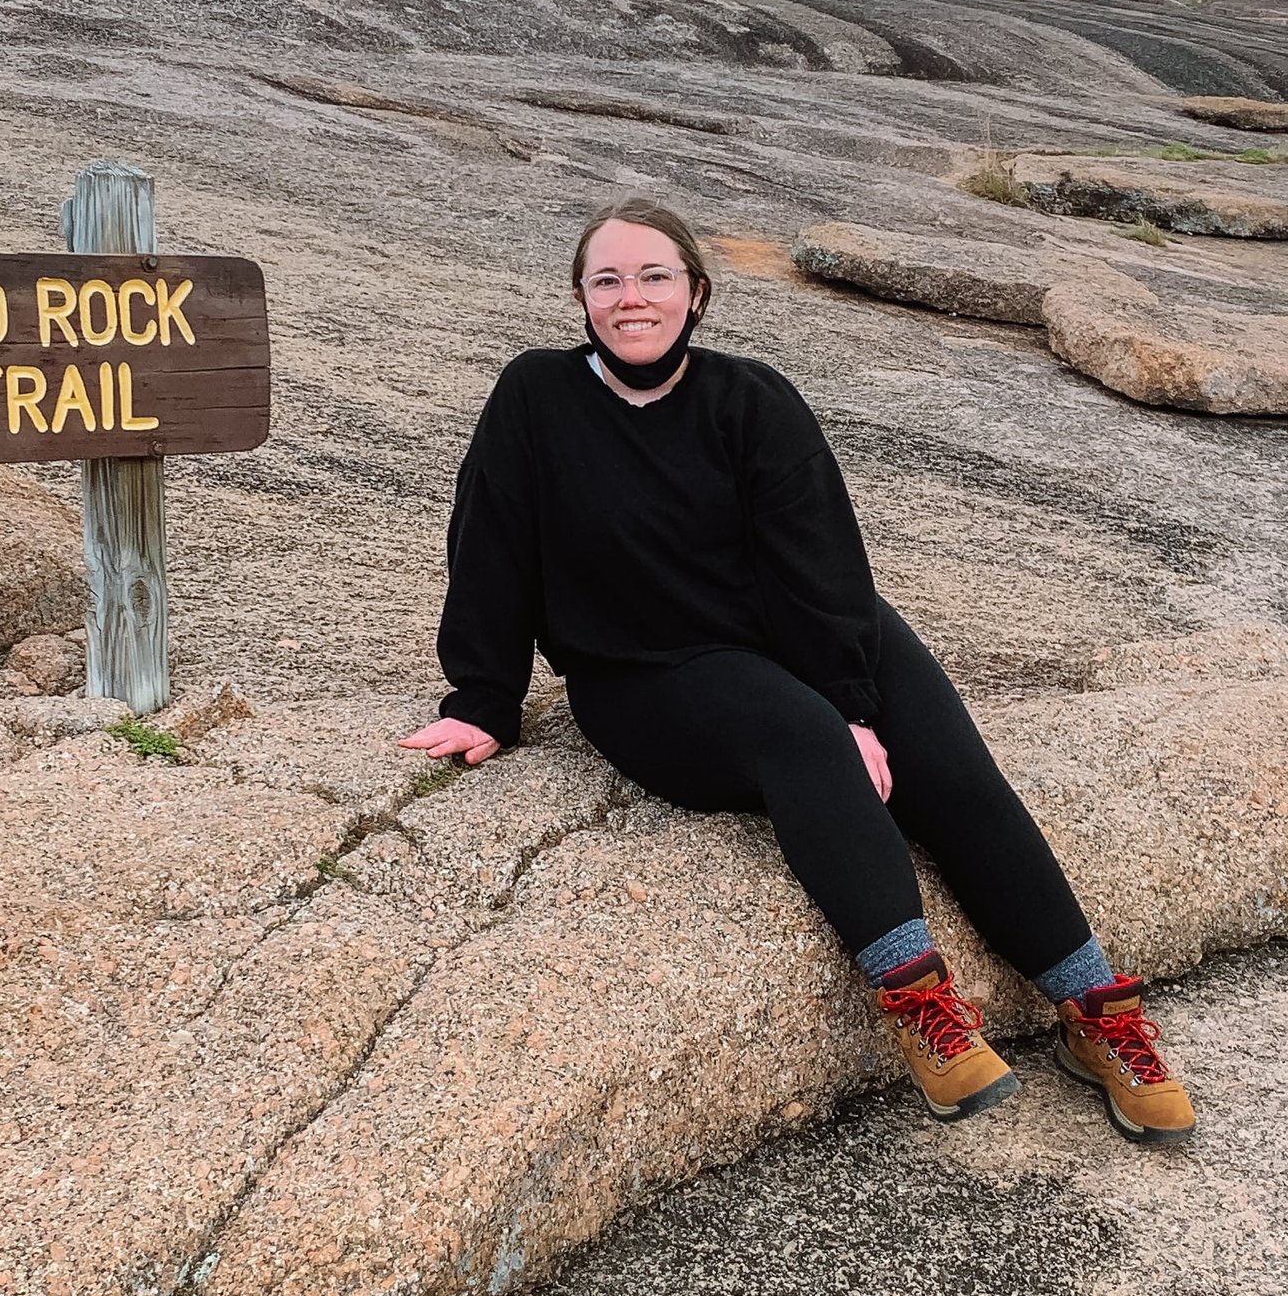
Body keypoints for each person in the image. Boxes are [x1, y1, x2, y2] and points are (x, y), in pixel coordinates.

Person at [399, 202, 1195, 1140]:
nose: (631, 297)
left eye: (654, 276)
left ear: (696, 293)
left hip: (803, 629)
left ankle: (1098, 1014)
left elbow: (820, 560)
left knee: (953, 774)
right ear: (580, 299)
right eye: (607, 279)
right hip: (648, 670)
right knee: (801, 737)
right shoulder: (535, 395)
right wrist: (483, 698)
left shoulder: (753, 398)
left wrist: (855, 701)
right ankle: (920, 1009)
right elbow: (490, 544)